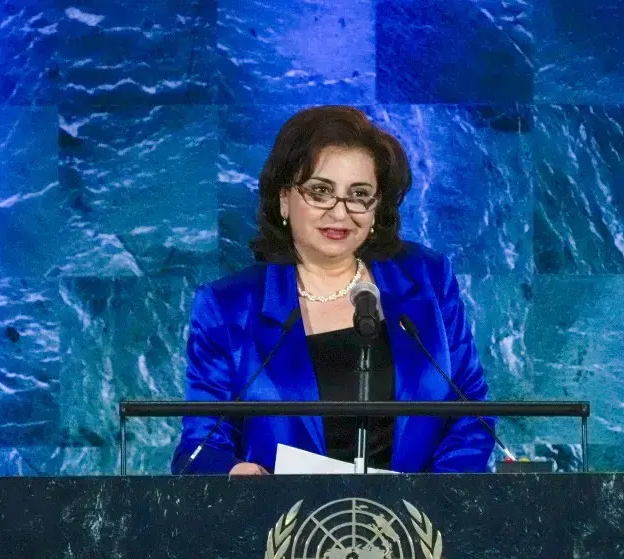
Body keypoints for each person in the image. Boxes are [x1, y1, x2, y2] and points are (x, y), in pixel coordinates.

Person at [171, 106, 494, 475]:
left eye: (359, 194)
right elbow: (198, 449)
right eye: (321, 191)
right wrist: (232, 472)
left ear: (376, 209)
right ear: (284, 200)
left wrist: (433, 504)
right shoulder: (229, 306)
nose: (340, 213)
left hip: (418, 527)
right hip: (285, 525)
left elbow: (471, 412)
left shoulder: (426, 278)